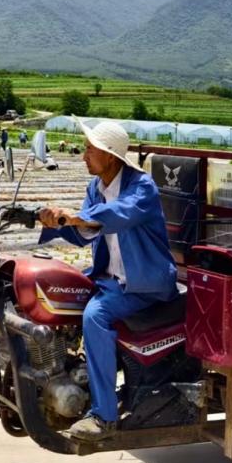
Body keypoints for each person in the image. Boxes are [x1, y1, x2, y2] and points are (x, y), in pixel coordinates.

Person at [38, 119, 177, 441]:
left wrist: (77, 217)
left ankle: (103, 416)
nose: (83, 155)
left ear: (110, 156)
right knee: (58, 295)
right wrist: (53, 220)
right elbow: (85, 235)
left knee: (95, 315)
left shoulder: (141, 187)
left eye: (89, 149)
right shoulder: (95, 187)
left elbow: (117, 215)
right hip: (109, 279)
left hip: (144, 283)